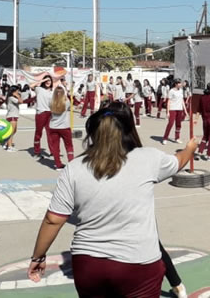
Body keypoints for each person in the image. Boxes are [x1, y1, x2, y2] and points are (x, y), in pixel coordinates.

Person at [26, 103, 198, 297]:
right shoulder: (150, 158)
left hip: (89, 264)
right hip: (139, 263)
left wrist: (38, 257)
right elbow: (179, 160)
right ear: (129, 130)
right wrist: (190, 148)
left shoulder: (74, 168)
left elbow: (53, 219)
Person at [48, 87, 74, 170]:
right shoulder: (66, 102)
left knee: (55, 146)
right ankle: (71, 162)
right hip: (64, 126)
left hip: (53, 126)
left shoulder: (51, 102)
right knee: (69, 145)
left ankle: (58, 164)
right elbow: (70, 105)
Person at [32, 77, 54, 157]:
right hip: (41, 113)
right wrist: (43, 80)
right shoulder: (39, 89)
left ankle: (53, 151)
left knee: (50, 133)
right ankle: (36, 151)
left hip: (50, 113)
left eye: (49, 81)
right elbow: (31, 85)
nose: (48, 82)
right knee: (38, 133)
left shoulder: (52, 92)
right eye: (46, 81)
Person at [162, 79, 187, 145]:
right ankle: (165, 138)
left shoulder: (181, 90)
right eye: (179, 83)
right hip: (172, 109)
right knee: (170, 123)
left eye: (181, 83)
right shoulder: (171, 91)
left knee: (178, 124)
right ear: (176, 84)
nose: (180, 84)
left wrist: (185, 110)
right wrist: (167, 112)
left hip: (179, 109)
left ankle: (177, 138)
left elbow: (182, 100)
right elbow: (169, 102)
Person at [4, 85, 22, 152]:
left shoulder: (11, 98)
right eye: (17, 90)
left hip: (13, 116)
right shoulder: (11, 98)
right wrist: (18, 96)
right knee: (11, 132)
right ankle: (9, 146)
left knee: (14, 131)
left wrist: (18, 96)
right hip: (12, 116)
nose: (18, 92)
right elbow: (21, 101)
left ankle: (8, 143)